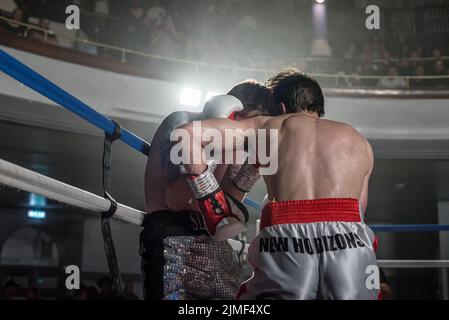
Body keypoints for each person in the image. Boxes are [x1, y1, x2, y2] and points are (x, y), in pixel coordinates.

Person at [177, 69, 379, 300]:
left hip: (287, 238)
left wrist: (216, 207)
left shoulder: (267, 126)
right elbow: (359, 210)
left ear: (281, 108)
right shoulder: (359, 141)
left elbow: (187, 135)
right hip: (350, 243)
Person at [140, 80, 277, 300]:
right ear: (234, 113)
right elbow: (177, 200)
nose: (250, 133)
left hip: (215, 243)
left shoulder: (237, 145)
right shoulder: (182, 122)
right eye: (252, 124)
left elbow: (226, 203)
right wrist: (212, 146)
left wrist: (253, 168)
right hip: (173, 240)